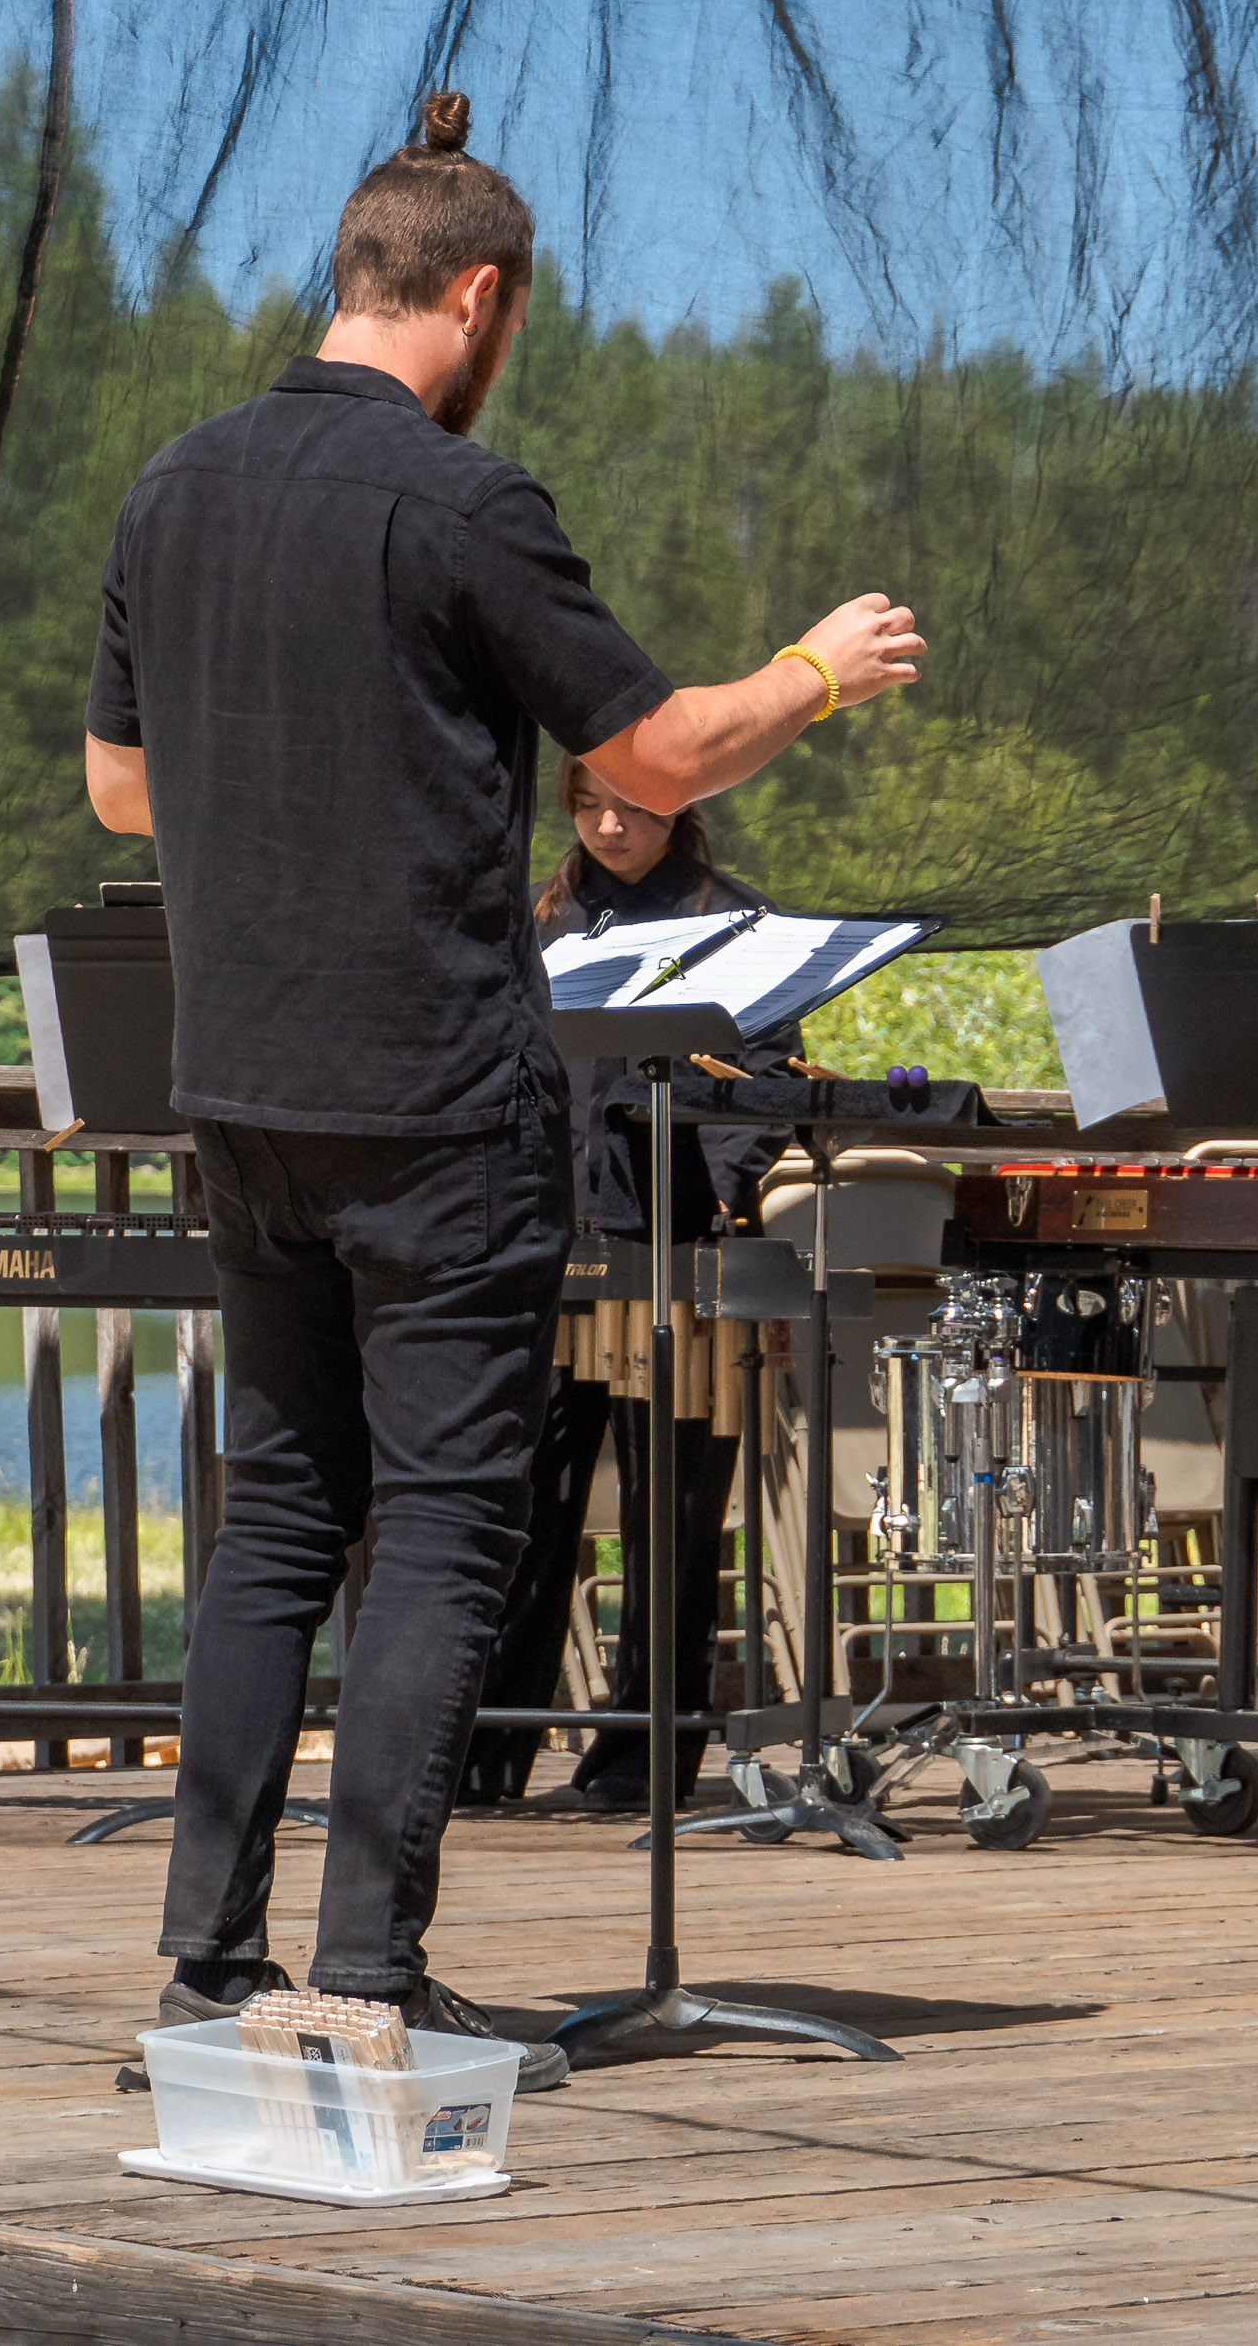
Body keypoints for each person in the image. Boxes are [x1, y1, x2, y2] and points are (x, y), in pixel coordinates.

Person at [83, 90, 924, 2075]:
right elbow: (655, 757)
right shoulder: (464, 504)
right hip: (437, 1100)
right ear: (478, 298)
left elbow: (120, 788)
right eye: (512, 324)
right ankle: (366, 1977)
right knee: (452, 1522)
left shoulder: (173, 489)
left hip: (243, 1093)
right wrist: (813, 668)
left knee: (278, 1523)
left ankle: (210, 1969)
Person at [463, 763, 799, 1814]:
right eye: (588, 806)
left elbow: (770, 1080)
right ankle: (485, 1757)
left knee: (675, 1525)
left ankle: (641, 1762)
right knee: (520, 1508)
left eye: (633, 808)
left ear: (679, 803)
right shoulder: (535, 920)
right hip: (543, 1244)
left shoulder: (739, 925)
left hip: (674, 1245)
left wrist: (721, 1192)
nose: (609, 826)